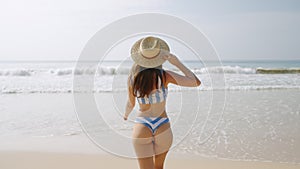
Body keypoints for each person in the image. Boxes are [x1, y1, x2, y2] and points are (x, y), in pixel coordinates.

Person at [124, 36, 201, 169]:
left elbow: (131, 103)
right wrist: (177, 63)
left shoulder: (133, 79)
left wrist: (126, 115)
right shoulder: (164, 76)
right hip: (162, 125)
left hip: (142, 125)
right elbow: (195, 82)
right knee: (159, 167)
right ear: (158, 57)